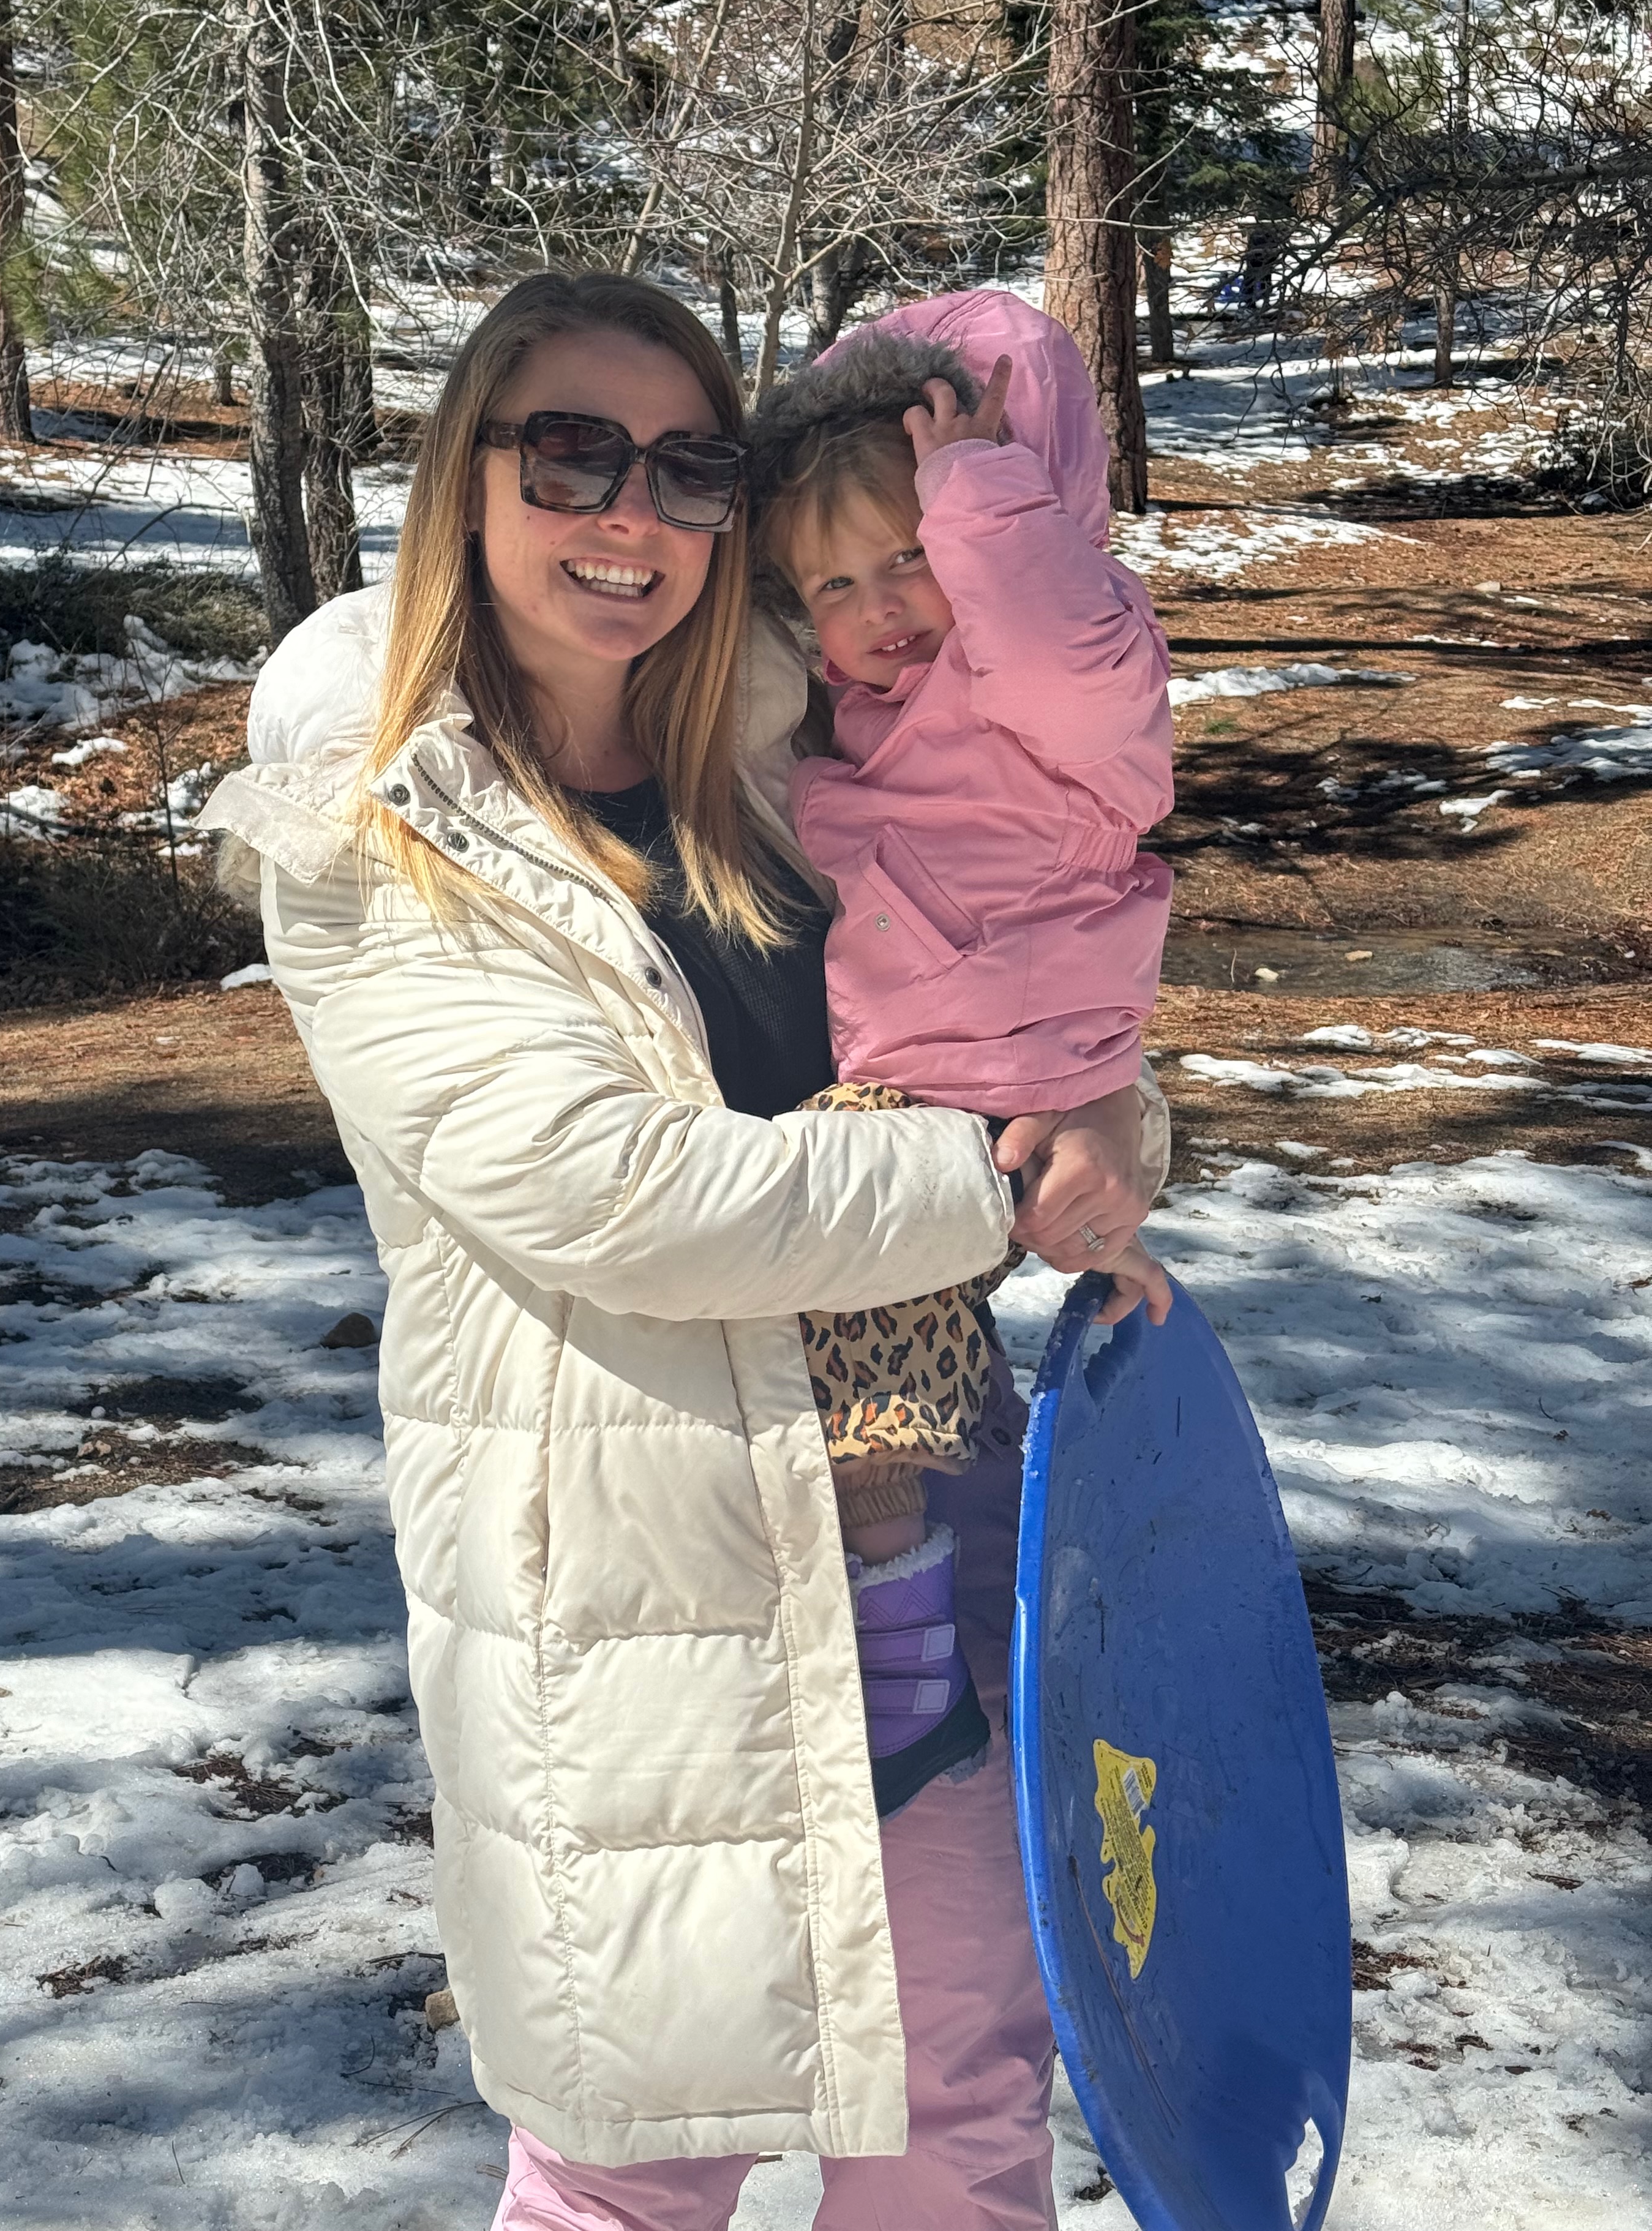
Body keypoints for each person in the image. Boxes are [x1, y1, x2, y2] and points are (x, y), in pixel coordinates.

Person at [201, 269, 1171, 2231]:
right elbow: (609, 1191)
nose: (626, 513)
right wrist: (994, 1189)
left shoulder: (779, 739)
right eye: (571, 453)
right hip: (635, 1604)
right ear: (462, 475)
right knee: (639, 2158)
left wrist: (1117, 1123)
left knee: (964, 2122)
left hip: (911, 1552)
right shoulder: (373, 815)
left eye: (686, 465)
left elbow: (1000, 984)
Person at [744, 291, 1177, 1810]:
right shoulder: (867, 719)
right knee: (872, 1357)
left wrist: (986, 502)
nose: (876, 610)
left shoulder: (1056, 673)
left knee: (863, 1339)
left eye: (907, 558)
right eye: (831, 586)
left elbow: (1061, 638)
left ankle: (904, 1647)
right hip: (945, 1068)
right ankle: (904, 1621)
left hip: (985, 1068)